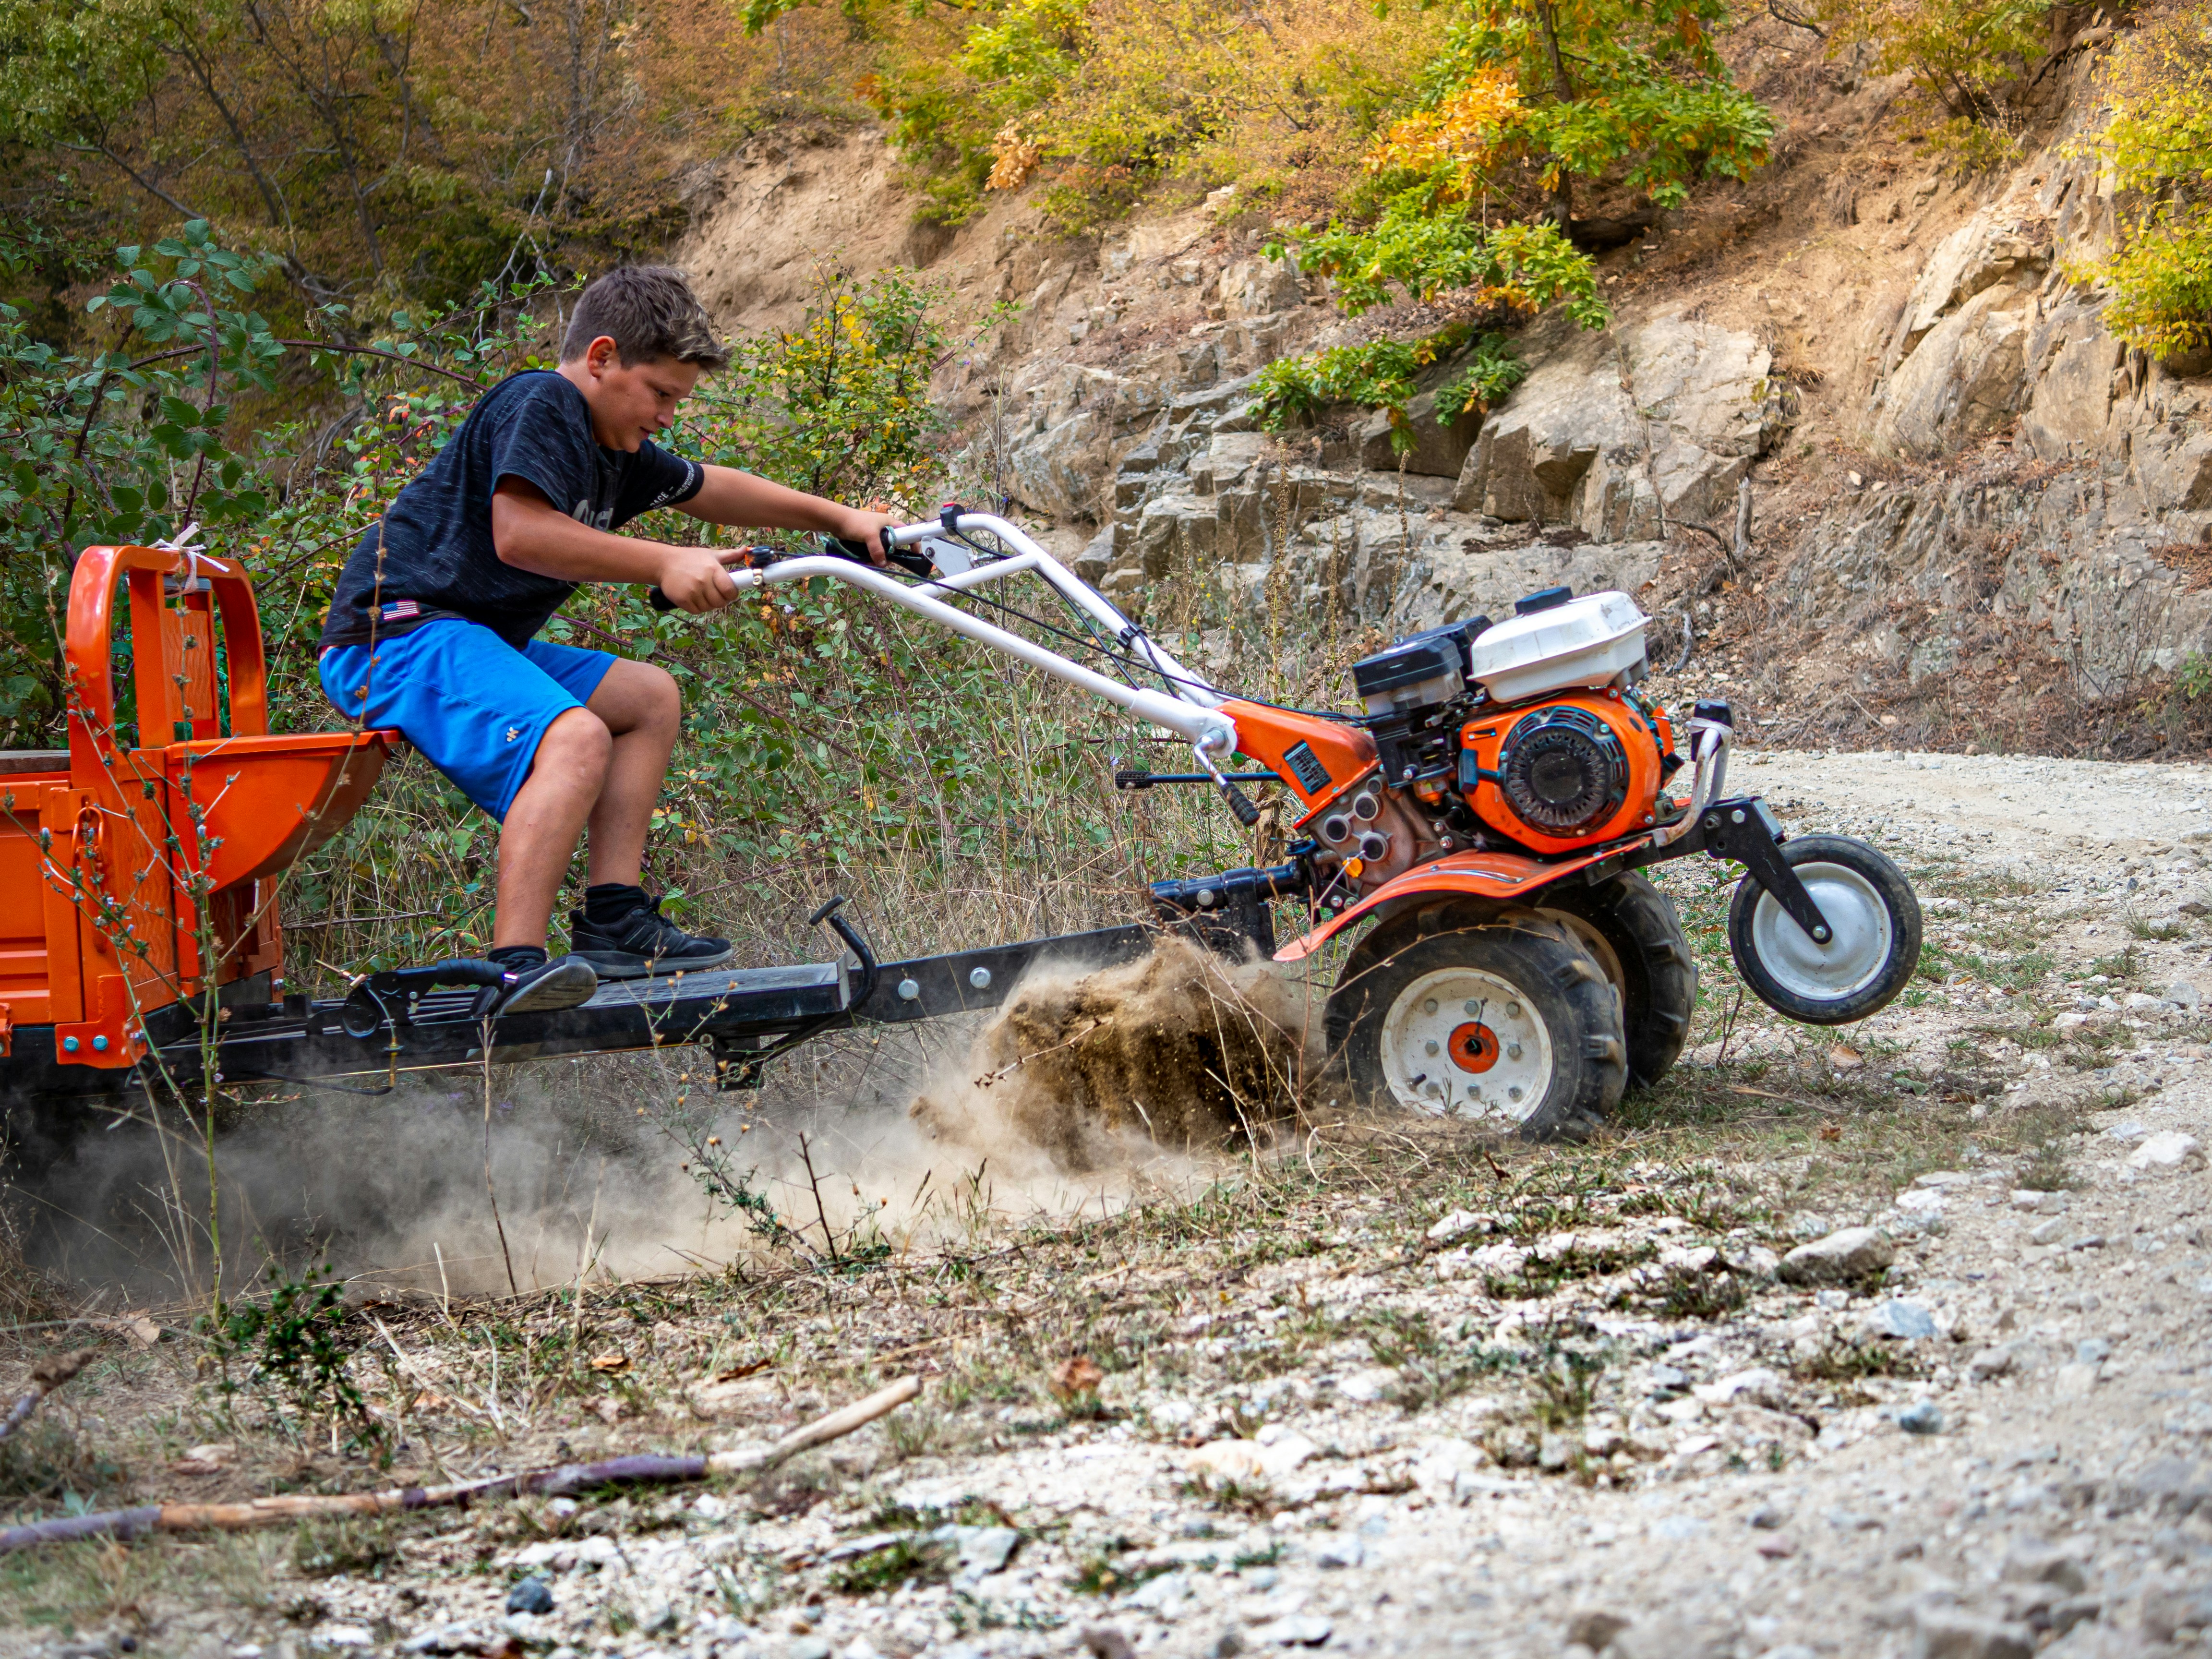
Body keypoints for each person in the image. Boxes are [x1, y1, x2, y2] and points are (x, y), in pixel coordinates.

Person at [317, 266, 893, 1014]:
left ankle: (615, 919)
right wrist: (662, 560)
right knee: (578, 737)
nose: (668, 416)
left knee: (646, 697)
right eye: (660, 394)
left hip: (468, 637)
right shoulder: (544, 401)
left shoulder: (614, 448)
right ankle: (516, 967)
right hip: (393, 634)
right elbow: (520, 534)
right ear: (601, 359)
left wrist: (841, 519)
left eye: (679, 401)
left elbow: (710, 487)